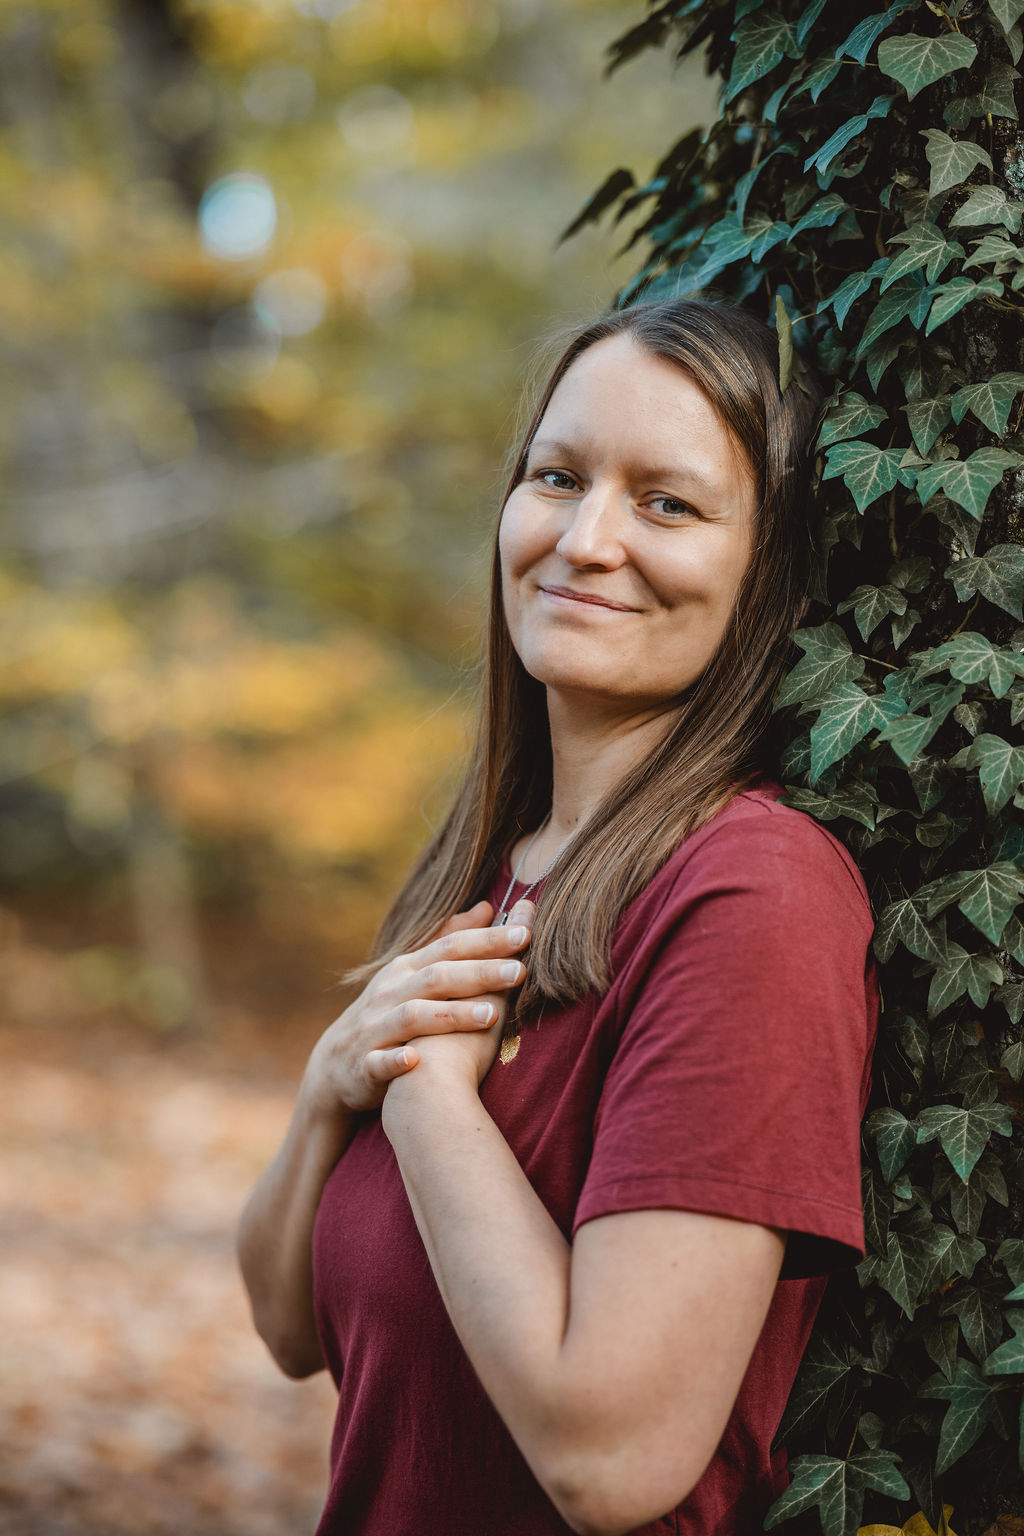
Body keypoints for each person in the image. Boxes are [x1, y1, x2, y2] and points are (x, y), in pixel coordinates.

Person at [237, 297, 878, 1536]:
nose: (585, 540)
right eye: (557, 476)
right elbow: (288, 1328)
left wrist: (423, 1091)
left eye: (668, 503)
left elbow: (614, 1457)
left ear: (765, 572)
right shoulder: (482, 875)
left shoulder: (751, 896)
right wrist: (331, 1082)